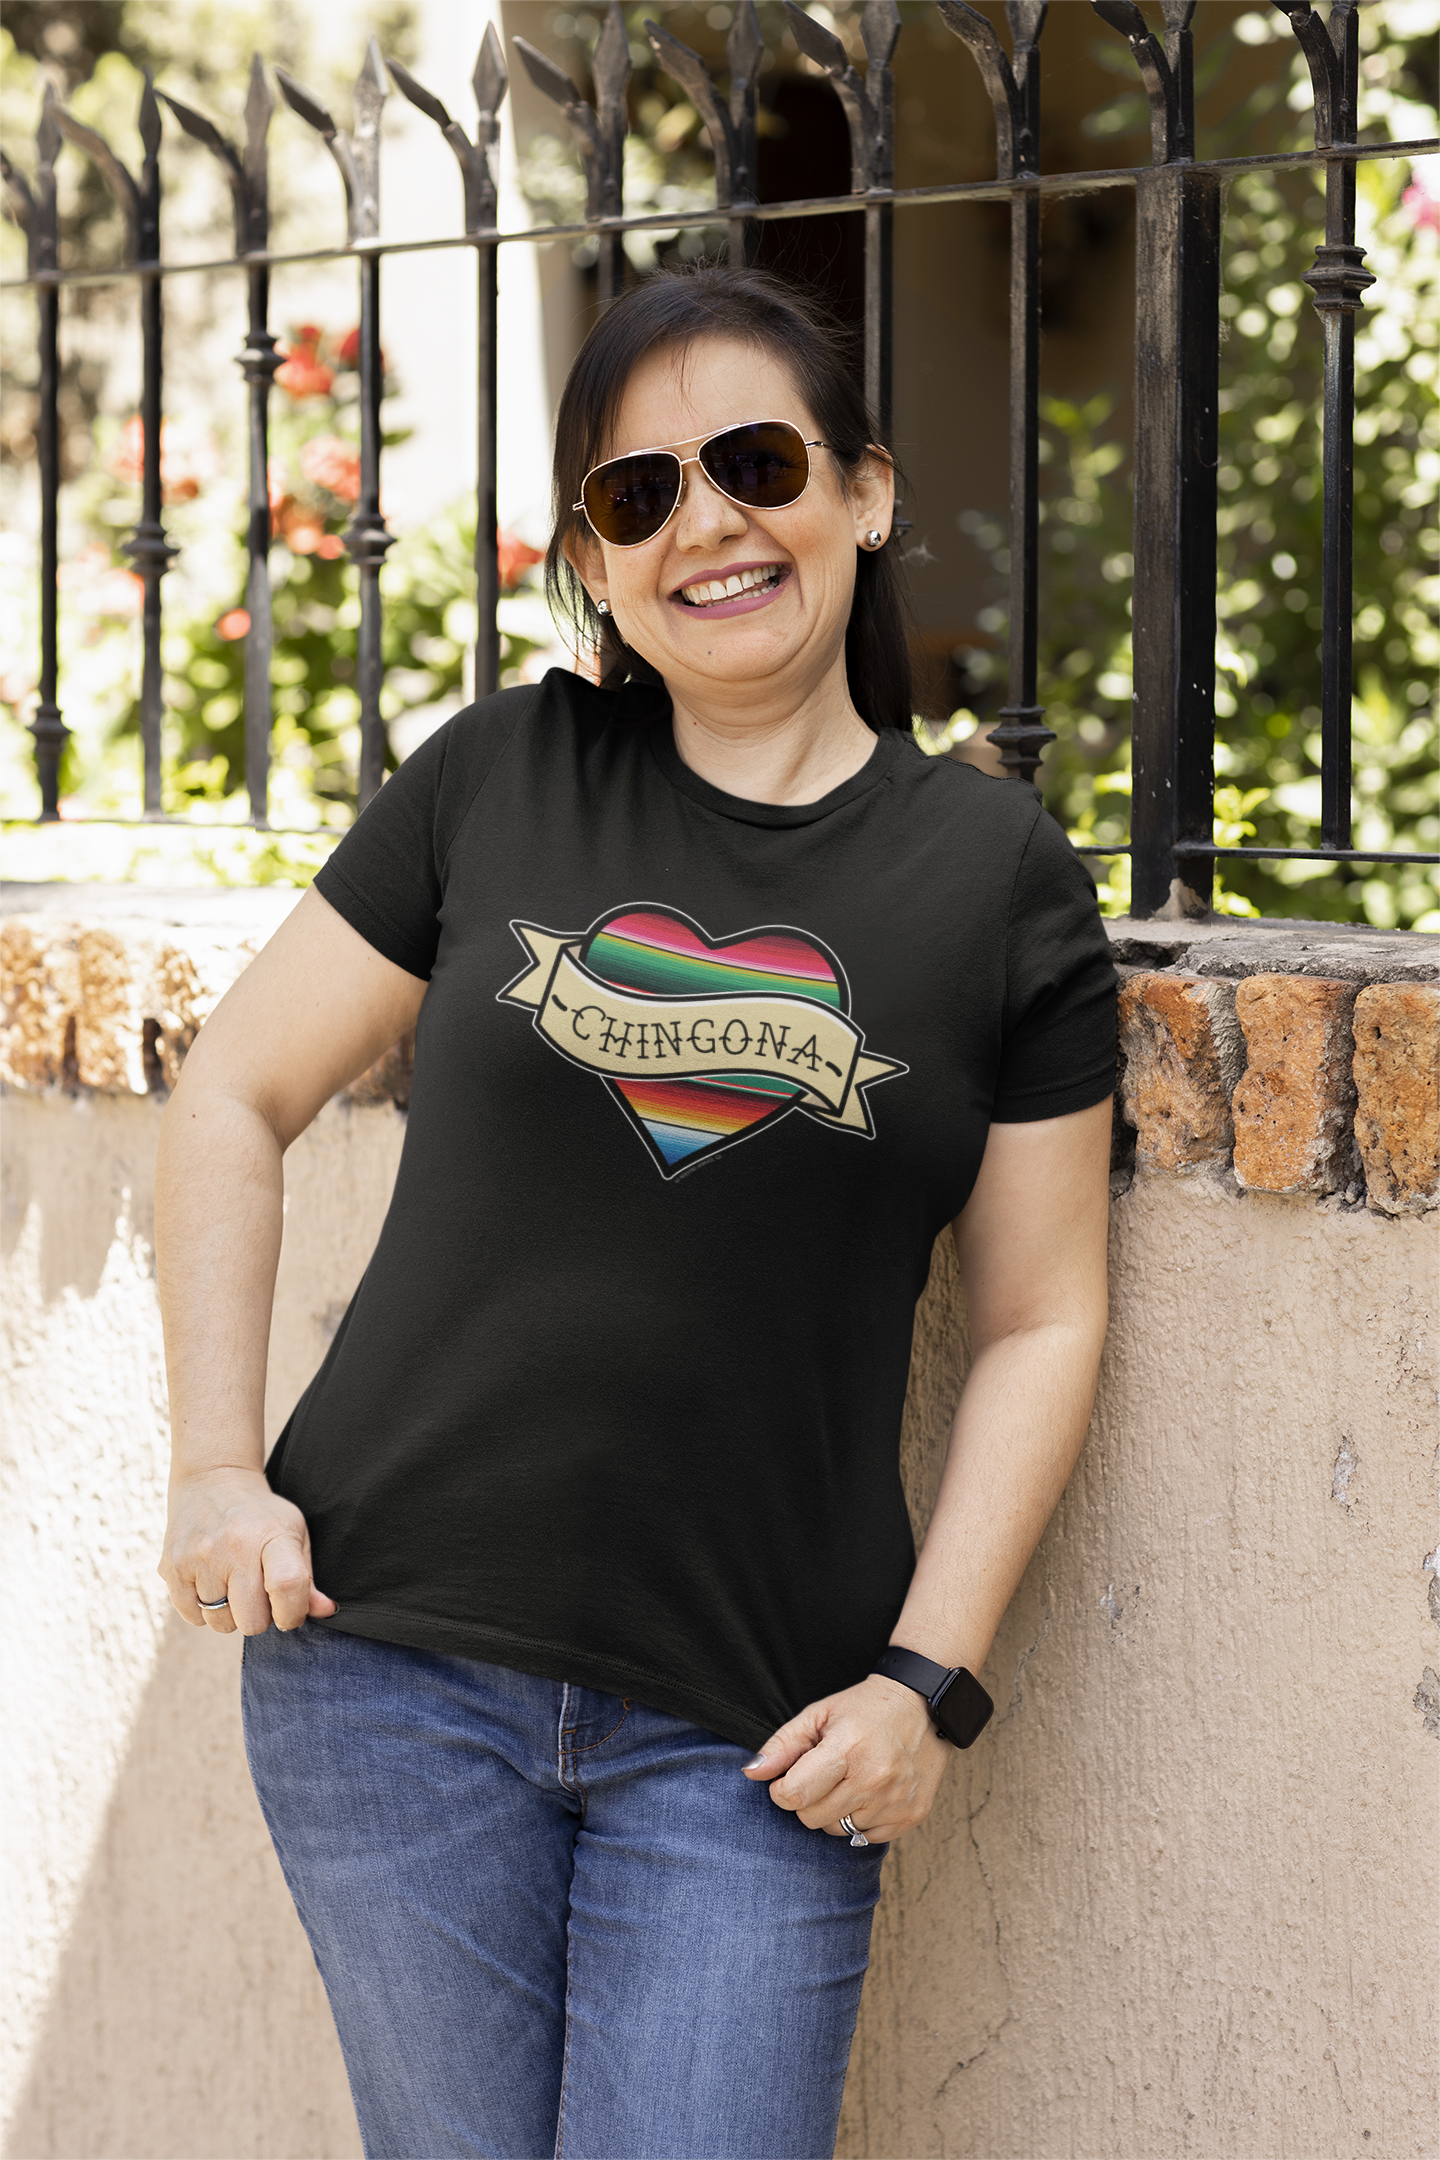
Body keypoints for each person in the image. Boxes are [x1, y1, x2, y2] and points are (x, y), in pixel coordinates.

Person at [156, 263, 1116, 2160]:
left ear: (865, 491)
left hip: (752, 1740)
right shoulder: (500, 777)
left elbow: (1040, 1317)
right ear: (595, 561)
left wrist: (931, 1679)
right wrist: (211, 1465)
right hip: (390, 1676)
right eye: (637, 493)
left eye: (756, 461)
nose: (709, 523)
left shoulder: (993, 879)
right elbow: (235, 1094)